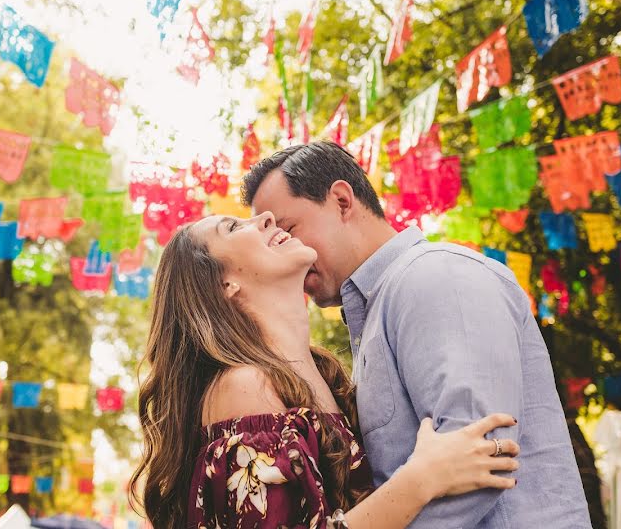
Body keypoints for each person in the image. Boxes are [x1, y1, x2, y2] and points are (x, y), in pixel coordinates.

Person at [242, 141, 592, 527]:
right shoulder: (378, 311)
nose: (288, 250)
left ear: (342, 201)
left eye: (289, 229)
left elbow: (480, 460)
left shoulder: (434, 277)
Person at [129, 213, 522, 529]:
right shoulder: (244, 387)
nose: (266, 219)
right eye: (234, 227)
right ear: (225, 284)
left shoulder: (326, 375)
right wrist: (421, 479)